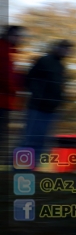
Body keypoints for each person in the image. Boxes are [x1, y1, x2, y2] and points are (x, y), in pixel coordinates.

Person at [21, 39, 74, 159]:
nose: (67, 51)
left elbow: (58, 87)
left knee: (41, 140)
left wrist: (60, 100)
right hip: (38, 106)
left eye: (69, 49)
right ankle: (20, 168)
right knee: (30, 139)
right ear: (57, 47)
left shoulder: (60, 66)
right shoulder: (45, 60)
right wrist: (38, 96)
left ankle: (32, 168)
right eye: (65, 48)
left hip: (51, 108)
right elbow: (30, 79)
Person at [1, 26, 26, 160]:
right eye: (17, 35)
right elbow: (5, 76)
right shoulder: (4, 50)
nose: (19, 38)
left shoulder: (9, 52)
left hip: (6, 100)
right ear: (8, 35)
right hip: (3, 100)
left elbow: (9, 75)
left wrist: (21, 78)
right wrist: (15, 90)